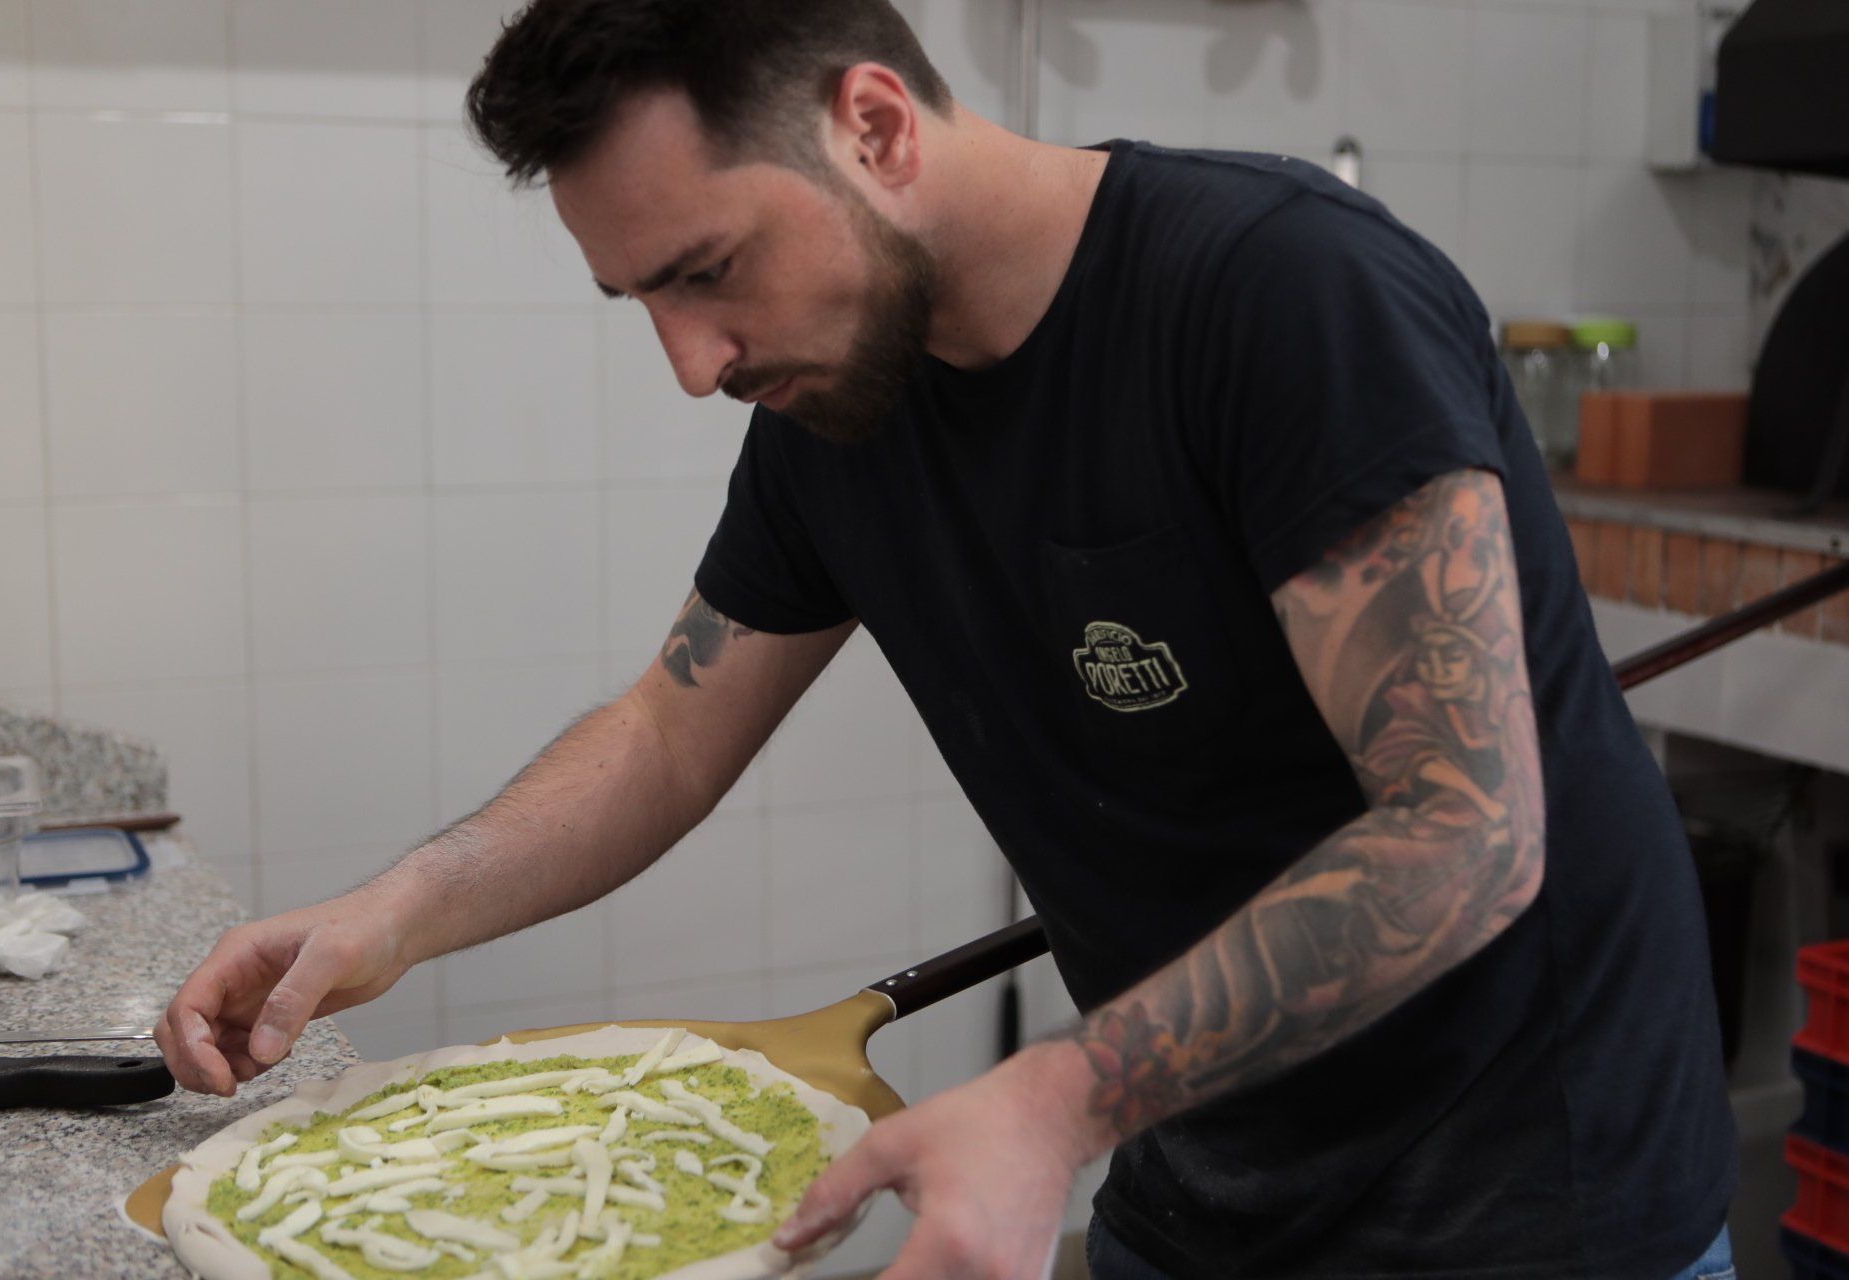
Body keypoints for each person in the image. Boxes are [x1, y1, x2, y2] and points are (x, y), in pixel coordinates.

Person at [154, 2, 1740, 1277]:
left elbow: (1464, 830)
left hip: (1523, 1200)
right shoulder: (835, 405)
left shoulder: (1284, 295)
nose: (690, 363)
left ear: (876, 126)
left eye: (708, 272)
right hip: (1197, 1176)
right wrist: (398, 910)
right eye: (639, 299)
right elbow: (667, 732)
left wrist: (1052, 1098)